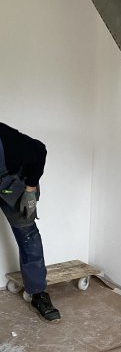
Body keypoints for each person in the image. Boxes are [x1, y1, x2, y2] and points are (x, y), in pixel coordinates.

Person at [0, 123, 61, 322]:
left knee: (28, 237)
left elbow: (39, 150)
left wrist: (30, 189)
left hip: (13, 185)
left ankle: (38, 294)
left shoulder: (8, 140)